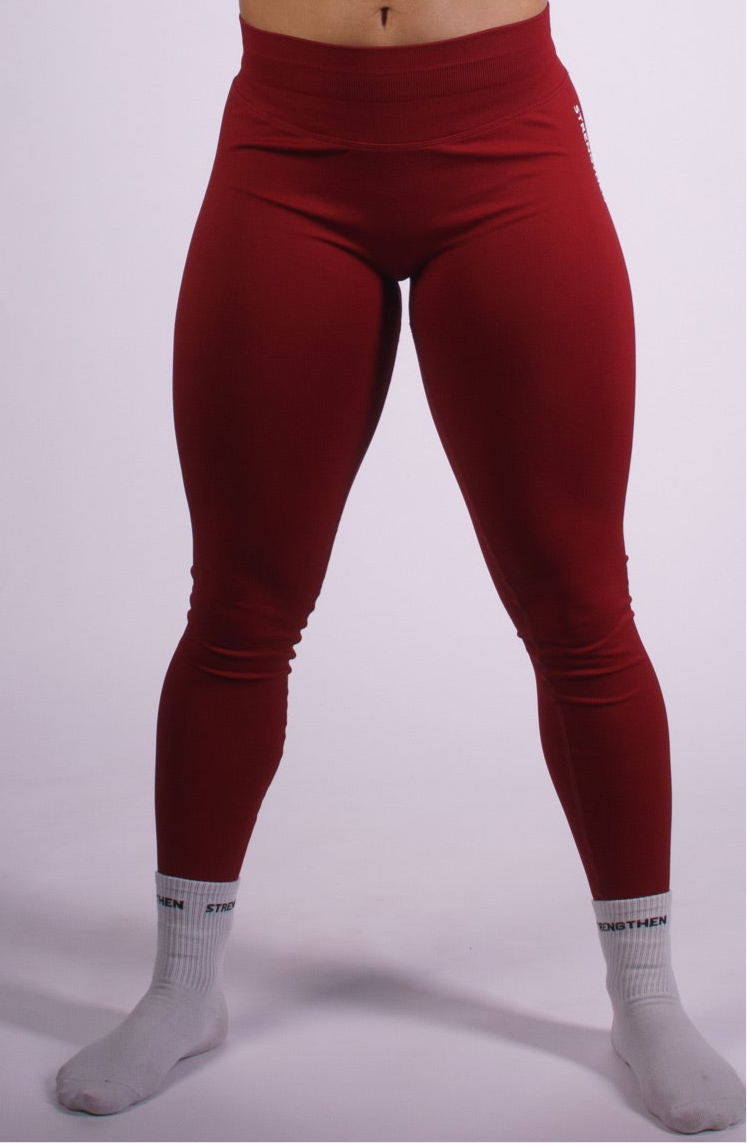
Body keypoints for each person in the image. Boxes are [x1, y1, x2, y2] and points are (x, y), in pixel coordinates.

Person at [56, 0, 747, 1132]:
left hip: (506, 136)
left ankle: (647, 1001)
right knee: (238, 606)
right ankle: (182, 988)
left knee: (580, 608)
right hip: (285, 139)